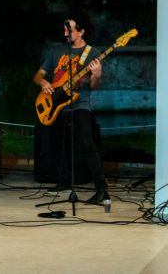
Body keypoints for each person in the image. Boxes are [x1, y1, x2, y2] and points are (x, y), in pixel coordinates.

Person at [32, 13, 109, 204]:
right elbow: (38, 75)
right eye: (65, 29)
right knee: (55, 144)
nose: (65, 33)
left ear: (81, 31)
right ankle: (64, 181)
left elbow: (94, 87)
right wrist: (43, 83)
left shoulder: (92, 53)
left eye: (69, 30)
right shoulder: (56, 52)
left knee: (87, 144)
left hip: (80, 103)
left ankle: (102, 190)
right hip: (55, 105)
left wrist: (97, 75)